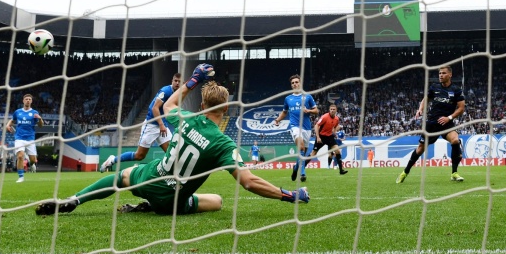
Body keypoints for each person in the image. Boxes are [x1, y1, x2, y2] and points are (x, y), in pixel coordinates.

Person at [35, 64, 309, 216]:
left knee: (122, 177)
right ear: (226, 109)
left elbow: (167, 107)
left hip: (151, 178)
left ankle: (75, 200)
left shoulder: (187, 118)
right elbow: (249, 182)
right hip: (173, 202)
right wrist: (289, 194)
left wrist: (193, 80)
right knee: (217, 201)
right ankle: (149, 207)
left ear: (202, 103)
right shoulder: (225, 145)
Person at [396, 65, 465, 183]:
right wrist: (420, 109)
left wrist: (449, 118)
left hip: (446, 123)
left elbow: (461, 108)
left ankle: (454, 173)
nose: (441, 75)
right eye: (439, 73)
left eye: (443, 73)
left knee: (455, 140)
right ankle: (405, 172)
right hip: (432, 124)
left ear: (450, 75)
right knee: (420, 149)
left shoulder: (456, 90)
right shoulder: (434, 87)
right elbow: (426, 99)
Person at [100, 73, 182, 169]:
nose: (177, 83)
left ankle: (170, 176)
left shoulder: (177, 94)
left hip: (162, 126)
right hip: (152, 125)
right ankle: (113, 160)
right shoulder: (166, 91)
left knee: (172, 153)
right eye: (175, 80)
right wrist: (161, 124)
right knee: (139, 156)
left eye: (179, 81)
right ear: (172, 81)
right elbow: (154, 108)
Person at [273, 74, 318, 182]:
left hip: (307, 128)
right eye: (292, 83)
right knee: (301, 148)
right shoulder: (288, 99)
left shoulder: (308, 97)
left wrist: (309, 111)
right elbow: (284, 112)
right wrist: (277, 120)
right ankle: (302, 173)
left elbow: (316, 111)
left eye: (296, 82)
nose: (295, 84)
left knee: (303, 153)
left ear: (300, 83)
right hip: (294, 127)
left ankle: (296, 168)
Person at [6, 93, 43, 183]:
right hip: (19, 138)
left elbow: (41, 126)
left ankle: (31, 164)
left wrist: (40, 119)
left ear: (31, 101)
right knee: (20, 156)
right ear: (23, 101)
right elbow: (12, 119)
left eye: (29, 99)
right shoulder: (18, 112)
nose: (28, 100)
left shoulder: (34, 113)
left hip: (30, 139)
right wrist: (8, 125)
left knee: (33, 160)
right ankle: (21, 177)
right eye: (26, 99)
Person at [309, 104, 348, 175]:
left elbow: (335, 128)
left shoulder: (337, 119)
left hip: (329, 137)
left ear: (336, 110)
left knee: (337, 151)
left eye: (334, 109)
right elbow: (316, 125)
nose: (332, 110)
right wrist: (318, 137)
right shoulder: (324, 117)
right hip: (321, 136)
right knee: (313, 154)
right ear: (329, 110)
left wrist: (335, 131)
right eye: (331, 109)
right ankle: (302, 166)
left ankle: (341, 170)